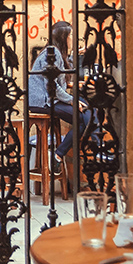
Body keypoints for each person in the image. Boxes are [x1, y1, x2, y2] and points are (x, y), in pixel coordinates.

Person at [27, 21, 91, 173]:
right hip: (43, 101)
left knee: (87, 113)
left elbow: (60, 76)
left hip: (49, 99)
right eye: (71, 35)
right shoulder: (53, 53)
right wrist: (71, 101)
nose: (73, 38)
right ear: (64, 37)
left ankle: (58, 154)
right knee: (84, 115)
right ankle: (65, 153)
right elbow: (53, 87)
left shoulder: (55, 52)